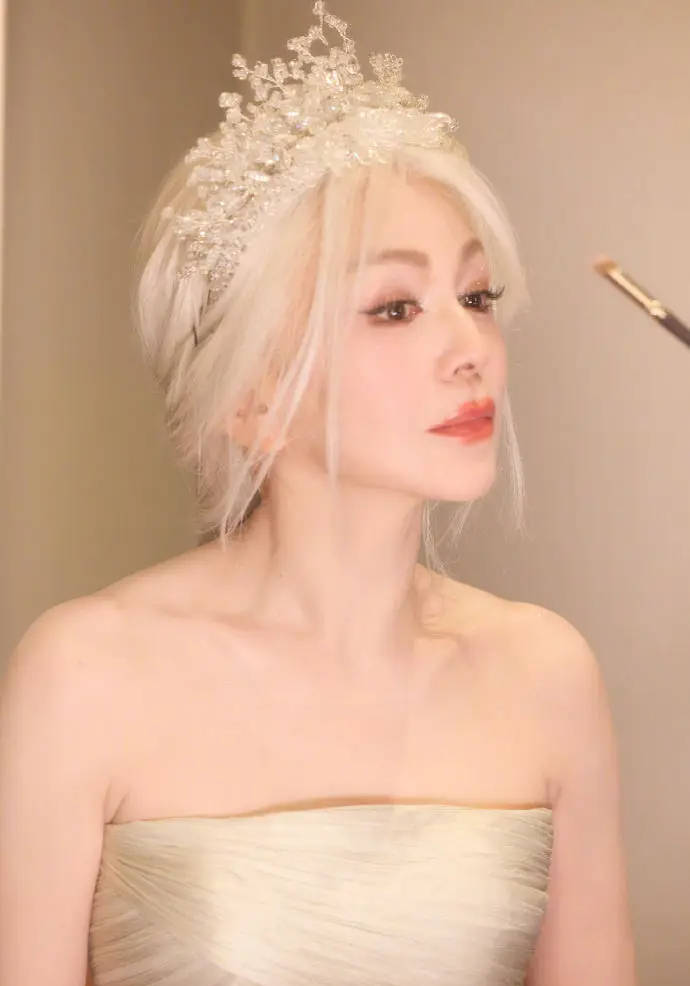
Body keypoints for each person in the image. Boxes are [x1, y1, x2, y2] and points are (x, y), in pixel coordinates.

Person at [0, 3, 637, 984]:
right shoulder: (84, 674)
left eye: (476, 296)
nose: (471, 347)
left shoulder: (547, 675)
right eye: (395, 307)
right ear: (250, 397)